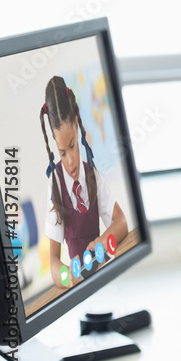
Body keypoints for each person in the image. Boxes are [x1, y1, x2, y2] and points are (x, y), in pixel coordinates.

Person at [41, 75, 128, 288]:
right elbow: (53, 259)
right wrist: (64, 275)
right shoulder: (57, 187)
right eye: (62, 153)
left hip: (103, 274)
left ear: (78, 127)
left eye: (72, 146)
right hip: (78, 284)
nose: (70, 162)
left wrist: (102, 239)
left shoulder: (92, 175)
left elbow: (122, 222)